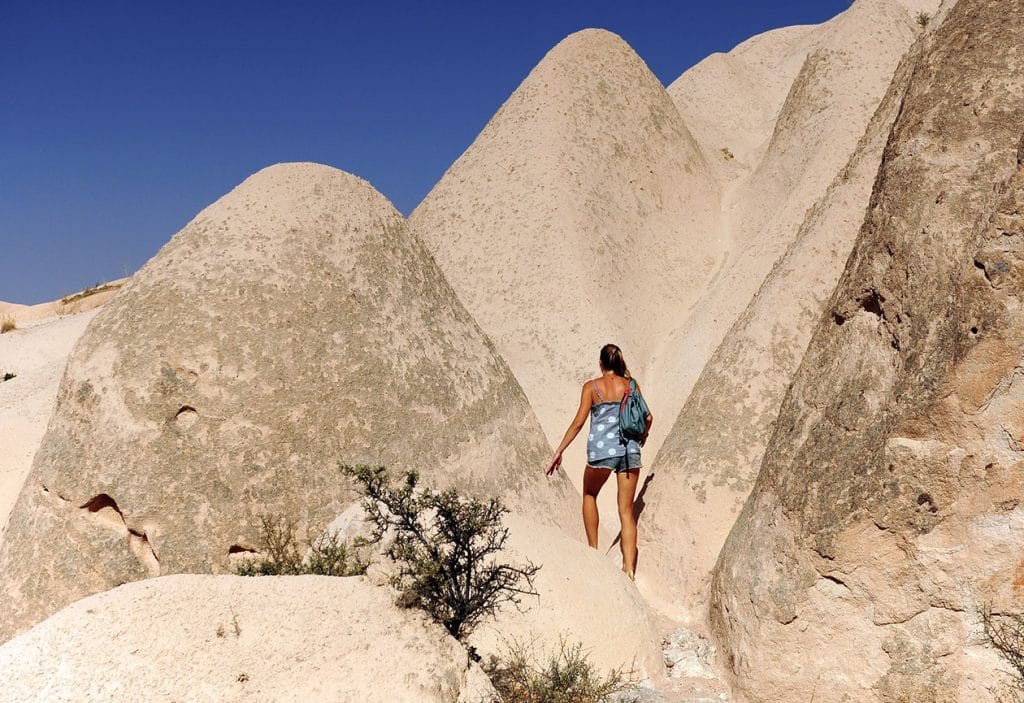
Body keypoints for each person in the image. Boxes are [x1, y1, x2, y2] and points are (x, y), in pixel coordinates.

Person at [546, 343, 653, 580]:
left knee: (589, 494)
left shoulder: (591, 388)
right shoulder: (631, 386)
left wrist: (559, 450)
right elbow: (648, 417)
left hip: (601, 453)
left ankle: (593, 553)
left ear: (601, 363)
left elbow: (578, 423)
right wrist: (642, 436)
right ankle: (629, 570)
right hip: (629, 452)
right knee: (626, 511)